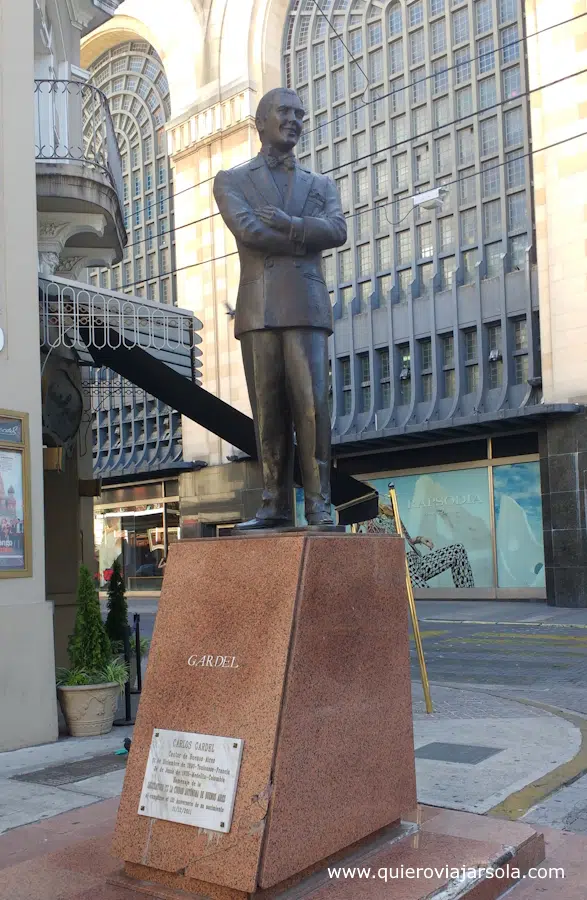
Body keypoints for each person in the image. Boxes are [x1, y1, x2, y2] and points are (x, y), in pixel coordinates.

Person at [213, 87, 347, 529]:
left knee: (312, 407)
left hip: (306, 306)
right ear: (261, 121)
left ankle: (318, 503)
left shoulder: (321, 184)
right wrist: (305, 237)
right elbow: (248, 231)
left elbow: (337, 231)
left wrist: (290, 224)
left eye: (300, 114)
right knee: (268, 409)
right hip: (259, 306)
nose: (294, 120)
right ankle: (273, 503)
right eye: (285, 112)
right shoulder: (231, 180)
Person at [363, 501, 475, 589]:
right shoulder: (363, 522)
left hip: (417, 561)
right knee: (430, 600)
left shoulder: (389, 511)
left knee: (458, 550)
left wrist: (419, 539)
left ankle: (470, 598)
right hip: (403, 569)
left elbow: (404, 539)